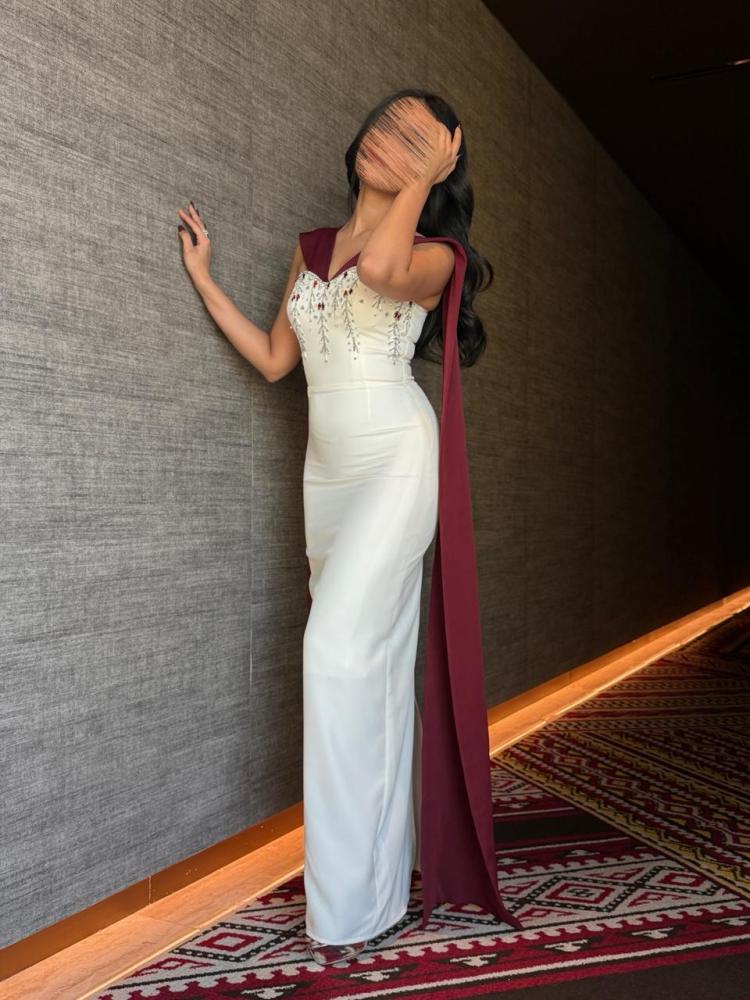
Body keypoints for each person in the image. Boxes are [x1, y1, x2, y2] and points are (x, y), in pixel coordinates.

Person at [176, 89, 522, 969]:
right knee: (368, 669)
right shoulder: (310, 249)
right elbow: (275, 361)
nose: (387, 141)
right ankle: (374, 887)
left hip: (397, 461)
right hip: (325, 477)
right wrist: (206, 279)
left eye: (416, 140)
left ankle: (346, 906)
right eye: (385, 125)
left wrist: (421, 184)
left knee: (332, 651)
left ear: (440, 166)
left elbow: (379, 272)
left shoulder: (436, 255)